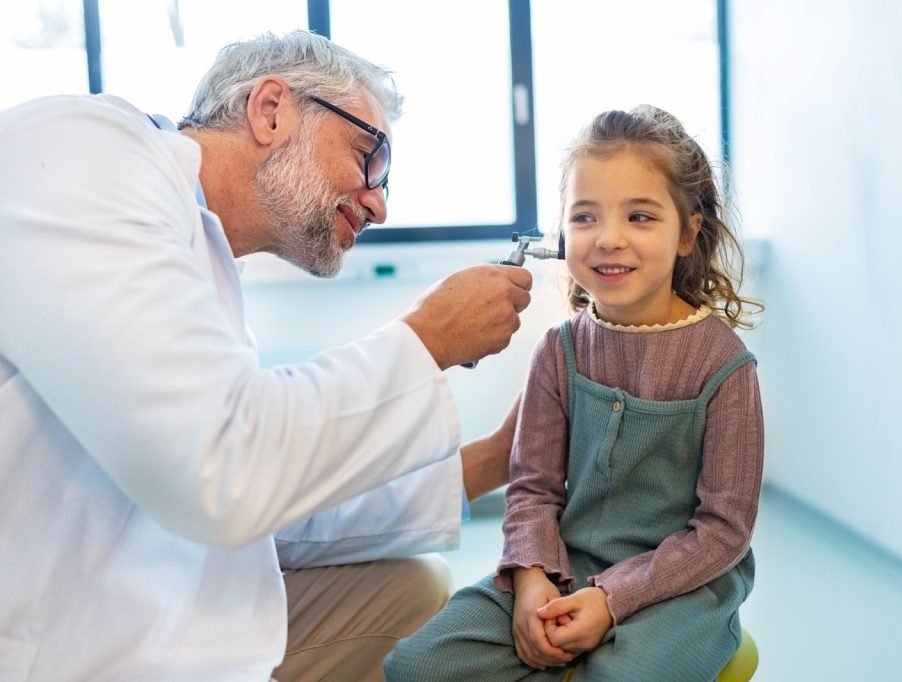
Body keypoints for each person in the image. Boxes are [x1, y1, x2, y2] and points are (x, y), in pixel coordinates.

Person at [0, 30, 530, 681]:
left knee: (411, 584)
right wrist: (427, 339)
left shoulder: (199, 260)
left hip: (136, 592)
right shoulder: (85, 154)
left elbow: (280, 507)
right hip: (54, 640)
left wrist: (498, 459)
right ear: (271, 110)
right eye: (371, 156)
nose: (380, 204)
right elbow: (220, 468)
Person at [384, 105, 765, 681]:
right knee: (418, 665)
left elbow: (723, 531)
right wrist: (534, 574)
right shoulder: (558, 352)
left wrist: (612, 599)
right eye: (585, 217)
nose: (609, 239)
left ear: (689, 231)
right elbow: (533, 486)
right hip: (566, 565)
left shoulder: (725, 366)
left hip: (683, 588)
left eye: (640, 216)